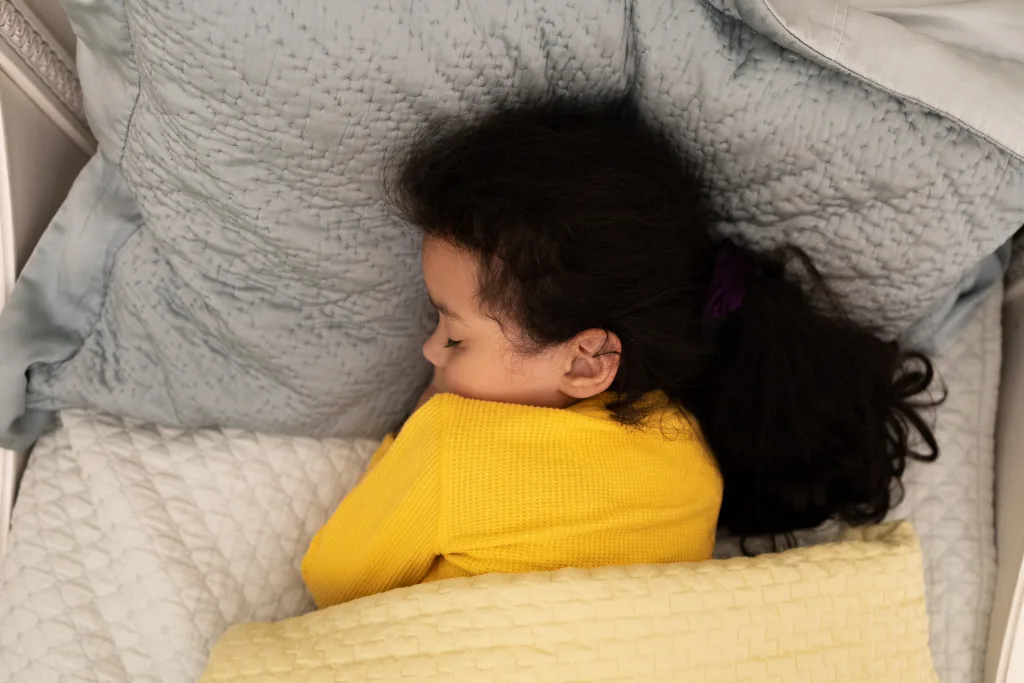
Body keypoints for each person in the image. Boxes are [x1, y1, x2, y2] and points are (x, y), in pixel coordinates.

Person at [301, 101, 939, 608]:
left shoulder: (448, 446)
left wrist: (409, 435)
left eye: (454, 335)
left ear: (585, 362)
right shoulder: (694, 464)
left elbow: (334, 582)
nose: (429, 349)